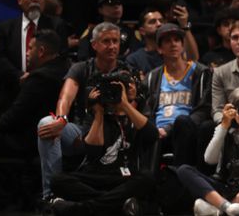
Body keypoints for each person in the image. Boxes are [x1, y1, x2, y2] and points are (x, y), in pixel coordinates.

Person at [36, 22, 129, 201]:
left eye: (115, 41)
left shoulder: (127, 70)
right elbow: (66, 96)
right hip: (83, 131)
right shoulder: (81, 68)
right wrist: (61, 120)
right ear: (94, 45)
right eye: (106, 41)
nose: (112, 46)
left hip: (116, 134)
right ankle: (52, 196)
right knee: (47, 123)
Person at [48, 70, 158, 216]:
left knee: (147, 178)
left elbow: (153, 135)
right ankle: (117, 205)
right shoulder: (98, 111)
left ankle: (80, 209)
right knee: (58, 180)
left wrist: (125, 104)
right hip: (96, 176)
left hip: (124, 178)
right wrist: (99, 114)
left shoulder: (135, 115)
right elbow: (92, 152)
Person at [176, 87, 239, 216]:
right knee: (184, 170)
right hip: (227, 185)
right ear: (231, 110)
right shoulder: (224, 127)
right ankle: (229, 207)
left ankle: (222, 207)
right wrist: (224, 127)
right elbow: (209, 159)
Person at [0, 0, 68, 115]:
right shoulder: (5, 28)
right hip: (12, 95)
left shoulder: (57, 25)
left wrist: (37, 78)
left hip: (47, 96)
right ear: (20, 0)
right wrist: (20, 76)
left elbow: (62, 57)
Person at [141, 23, 211, 167]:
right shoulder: (151, 77)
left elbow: (204, 109)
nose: (173, 44)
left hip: (188, 129)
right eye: (167, 41)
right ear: (159, 49)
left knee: (182, 122)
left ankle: (182, 177)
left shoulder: (201, 73)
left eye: (177, 40)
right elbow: (146, 110)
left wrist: (169, 129)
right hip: (158, 131)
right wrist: (154, 129)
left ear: (183, 45)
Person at [0, 30, 68, 159]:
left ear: (41, 51)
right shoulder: (66, 69)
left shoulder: (40, 77)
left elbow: (15, 115)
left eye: (30, 48)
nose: (27, 52)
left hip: (29, 141)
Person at [77, 0, 142, 61]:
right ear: (100, 9)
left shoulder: (131, 32)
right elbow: (82, 57)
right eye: (111, 4)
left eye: (119, 3)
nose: (116, 7)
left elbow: (136, 58)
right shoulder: (92, 32)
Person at [125, 8, 164, 75]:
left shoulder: (173, 52)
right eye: (152, 22)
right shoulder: (134, 60)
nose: (159, 24)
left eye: (161, 21)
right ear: (142, 31)